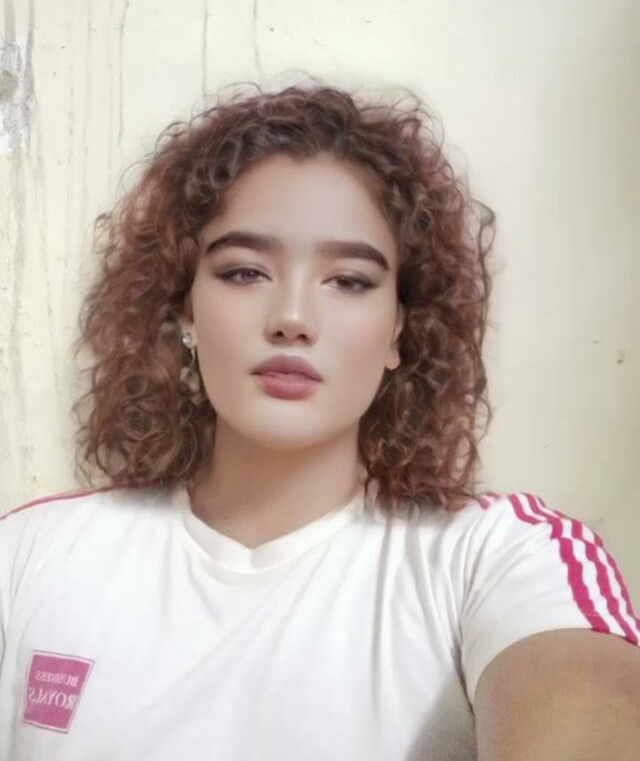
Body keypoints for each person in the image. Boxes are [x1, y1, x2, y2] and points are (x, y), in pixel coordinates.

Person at [0, 80, 638, 760]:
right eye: (245, 272)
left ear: (399, 331)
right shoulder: (31, 555)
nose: (293, 318)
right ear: (186, 311)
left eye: (350, 281)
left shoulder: (500, 556)